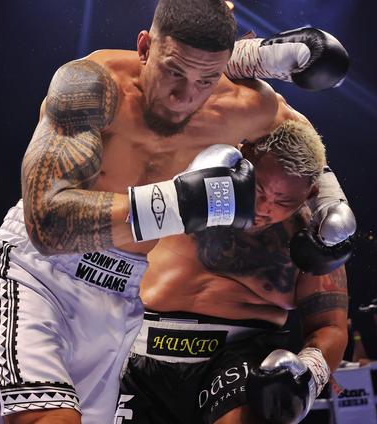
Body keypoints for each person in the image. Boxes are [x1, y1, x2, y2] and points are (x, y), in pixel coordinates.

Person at [0, 0, 355, 424]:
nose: (185, 96)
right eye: (173, 72)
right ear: (144, 47)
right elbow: (47, 223)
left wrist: (333, 207)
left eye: (205, 80)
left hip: (120, 293)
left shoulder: (241, 108)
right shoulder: (91, 84)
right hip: (40, 273)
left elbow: (303, 147)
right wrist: (181, 203)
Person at [117, 121, 349, 424]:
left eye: (283, 202)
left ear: (310, 192)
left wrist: (308, 376)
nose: (264, 207)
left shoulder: (315, 240)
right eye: (258, 189)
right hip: (140, 349)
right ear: (244, 155)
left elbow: (330, 326)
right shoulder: (191, 183)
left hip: (236, 357)